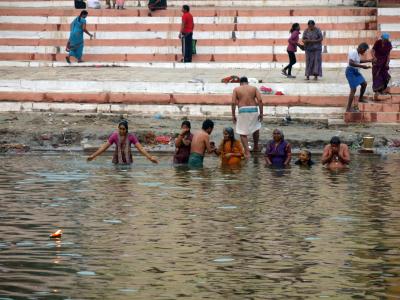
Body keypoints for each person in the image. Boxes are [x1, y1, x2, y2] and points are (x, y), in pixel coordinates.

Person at [87, 120, 158, 165]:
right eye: (120, 129)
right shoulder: (114, 136)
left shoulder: (131, 136)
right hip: (116, 161)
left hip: (128, 161)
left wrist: (150, 158)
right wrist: (93, 156)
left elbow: (141, 149)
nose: (121, 131)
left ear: (126, 129)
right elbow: (104, 147)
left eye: (123, 129)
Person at [232, 76, 263, 158]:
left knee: (242, 131)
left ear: (240, 83)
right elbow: (260, 100)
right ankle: (256, 147)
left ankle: (247, 152)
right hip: (254, 109)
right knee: (256, 128)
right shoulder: (254, 88)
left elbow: (233, 102)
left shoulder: (236, 89)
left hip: (242, 110)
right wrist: (261, 113)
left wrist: (233, 115)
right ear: (247, 82)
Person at [345, 42, 372, 112]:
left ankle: (360, 98)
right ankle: (348, 109)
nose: (365, 52)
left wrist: (368, 60)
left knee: (364, 84)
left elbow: (358, 61)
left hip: (355, 71)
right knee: (353, 89)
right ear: (361, 48)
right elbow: (351, 63)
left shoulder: (357, 53)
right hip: (350, 71)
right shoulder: (353, 52)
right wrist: (363, 66)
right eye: (365, 50)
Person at [371, 33, 392, 98]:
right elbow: (372, 50)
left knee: (385, 76)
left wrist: (387, 62)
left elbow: (388, 54)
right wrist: (374, 57)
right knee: (376, 76)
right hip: (376, 62)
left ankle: (382, 90)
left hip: (384, 62)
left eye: (386, 39)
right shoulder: (378, 42)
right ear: (382, 38)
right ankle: (377, 91)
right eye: (383, 39)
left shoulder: (389, 44)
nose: (384, 40)